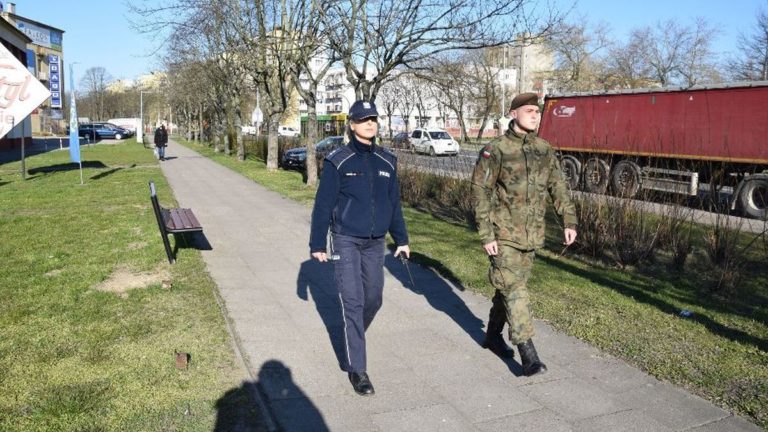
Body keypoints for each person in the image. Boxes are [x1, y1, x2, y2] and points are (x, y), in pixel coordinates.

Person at [471, 92, 578, 376]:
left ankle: (492, 336)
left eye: (538, 111)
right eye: (529, 110)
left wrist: (569, 220)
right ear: (514, 113)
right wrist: (486, 234)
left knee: (506, 288)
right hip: (503, 233)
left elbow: (558, 186)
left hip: (531, 236)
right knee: (516, 291)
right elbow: (480, 193)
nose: (535, 115)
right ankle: (527, 353)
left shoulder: (544, 149)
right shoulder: (496, 150)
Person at [309, 100, 410, 396]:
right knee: (352, 301)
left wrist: (401, 239)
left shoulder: (387, 161)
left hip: (375, 243)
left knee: (374, 298)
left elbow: (394, 205)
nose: (370, 123)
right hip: (346, 240)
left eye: (373, 119)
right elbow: (323, 205)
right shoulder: (338, 161)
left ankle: (353, 337)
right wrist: (317, 243)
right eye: (363, 119)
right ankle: (358, 369)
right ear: (351, 124)